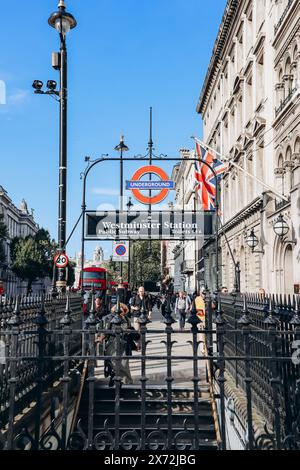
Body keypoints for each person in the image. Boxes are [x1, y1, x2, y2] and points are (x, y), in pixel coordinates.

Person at [97, 303, 135, 386]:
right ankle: (115, 379)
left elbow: (132, 331)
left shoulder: (126, 319)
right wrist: (101, 338)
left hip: (124, 344)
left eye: (124, 311)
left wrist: (131, 332)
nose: (123, 313)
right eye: (122, 311)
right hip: (112, 343)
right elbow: (105, 331)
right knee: (113, 363)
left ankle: (124, 382)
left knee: (124, 364)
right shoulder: (108, 318)